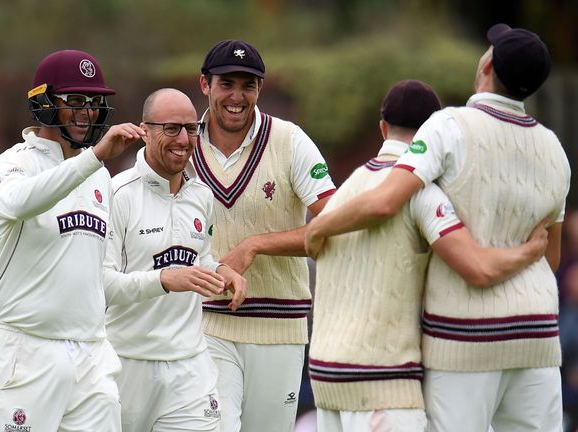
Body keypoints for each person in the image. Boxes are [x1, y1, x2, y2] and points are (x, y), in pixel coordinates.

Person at [307, 24, 570, 432]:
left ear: (487, 64)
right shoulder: (555, 148)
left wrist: (320, 227)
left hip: (464, 339)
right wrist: (521, 257)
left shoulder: (449, 125)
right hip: (537, 336)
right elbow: (549, 257)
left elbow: (384, 201)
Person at [0, 49, 143, 432]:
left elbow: (96, 272)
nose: (87, 112)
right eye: (76, 101)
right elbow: (18, 202)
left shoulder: (99, 176)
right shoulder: (16, 162)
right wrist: (94, 158)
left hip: (90, 351)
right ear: (45, 103)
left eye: (95, 102)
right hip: (23, 348)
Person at [193, 39, 337, 432]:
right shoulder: (183, 144)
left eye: (248, 85)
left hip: (280, 324)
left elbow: (334, 224)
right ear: (205, 85)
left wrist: (255, 245)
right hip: (204, 323)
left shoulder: (290, 141)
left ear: (261, 88)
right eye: (227, 84)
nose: (237, 96)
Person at [104, 88, 248, 432]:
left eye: (191, 128)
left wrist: (222, 271)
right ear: (145, 130)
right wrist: (164, 280)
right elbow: (101, 285)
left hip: (190, 367)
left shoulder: (201, 195)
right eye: (171, 128)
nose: (183, 139)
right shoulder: (116, 193)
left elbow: (200, 258)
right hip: (127, 364)